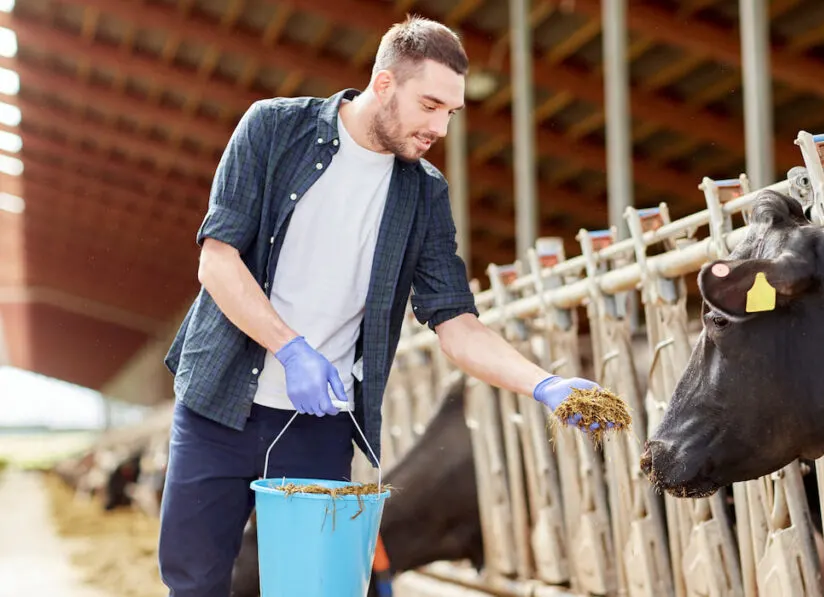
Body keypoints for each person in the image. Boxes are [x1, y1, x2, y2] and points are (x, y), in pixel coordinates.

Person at [157, 14, 623, 597]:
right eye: (429, 105)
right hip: (216, 404)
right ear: (383, 84)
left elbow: (455, 321)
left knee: (313, 589)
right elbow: (217, 261)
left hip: (317, 424)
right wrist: (291, 348)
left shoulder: (423, 193)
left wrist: (544, 384)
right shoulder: (273, 129)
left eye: (450, 113)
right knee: (194, 581)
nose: (440, 128)